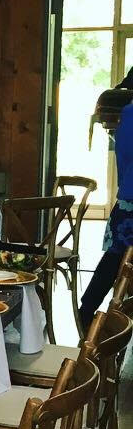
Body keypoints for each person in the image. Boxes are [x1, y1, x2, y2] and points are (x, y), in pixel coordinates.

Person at [79, 70, 133, 328]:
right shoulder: (130, 113)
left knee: (113, 260)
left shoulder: (127, 114)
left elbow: (123, 161)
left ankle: (87, 310)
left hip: (128, 199)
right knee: (115, 261)